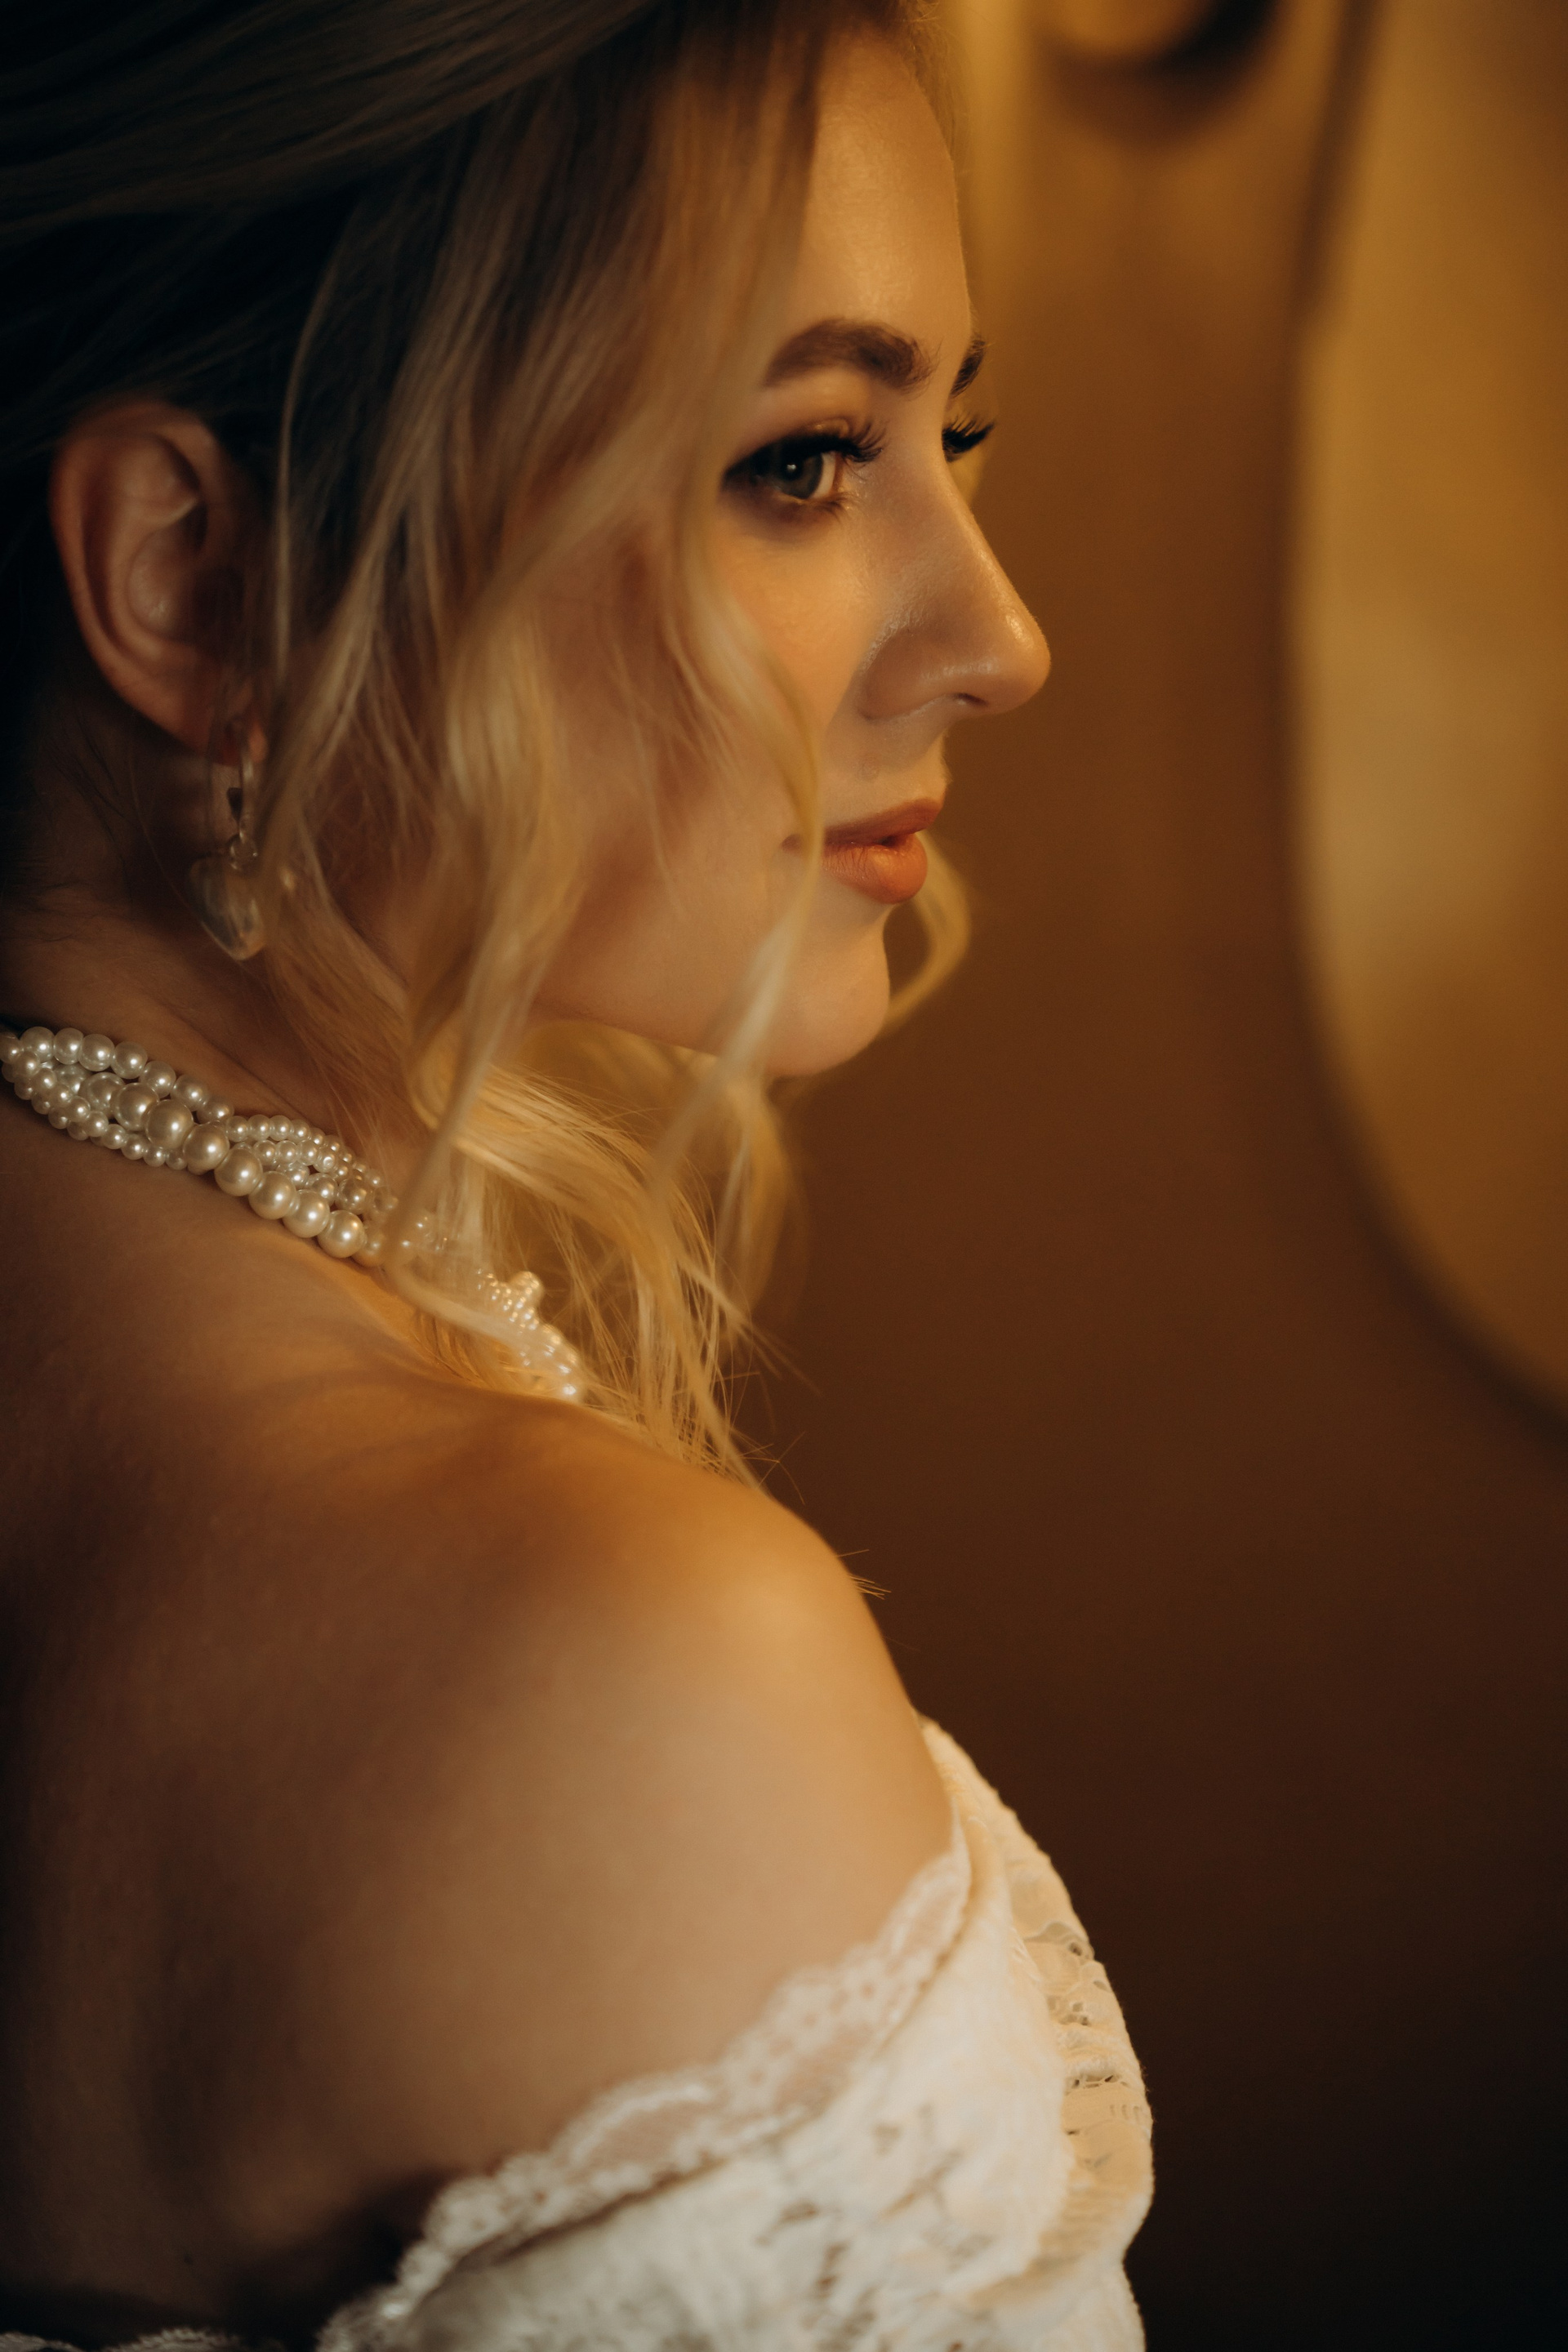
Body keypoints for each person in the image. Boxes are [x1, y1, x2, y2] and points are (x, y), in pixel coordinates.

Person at [0, 4, 1152, 2344]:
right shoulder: (623, 1675)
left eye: (954, 434)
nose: (1001, 639)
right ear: (193, 576)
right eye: (803, 461)